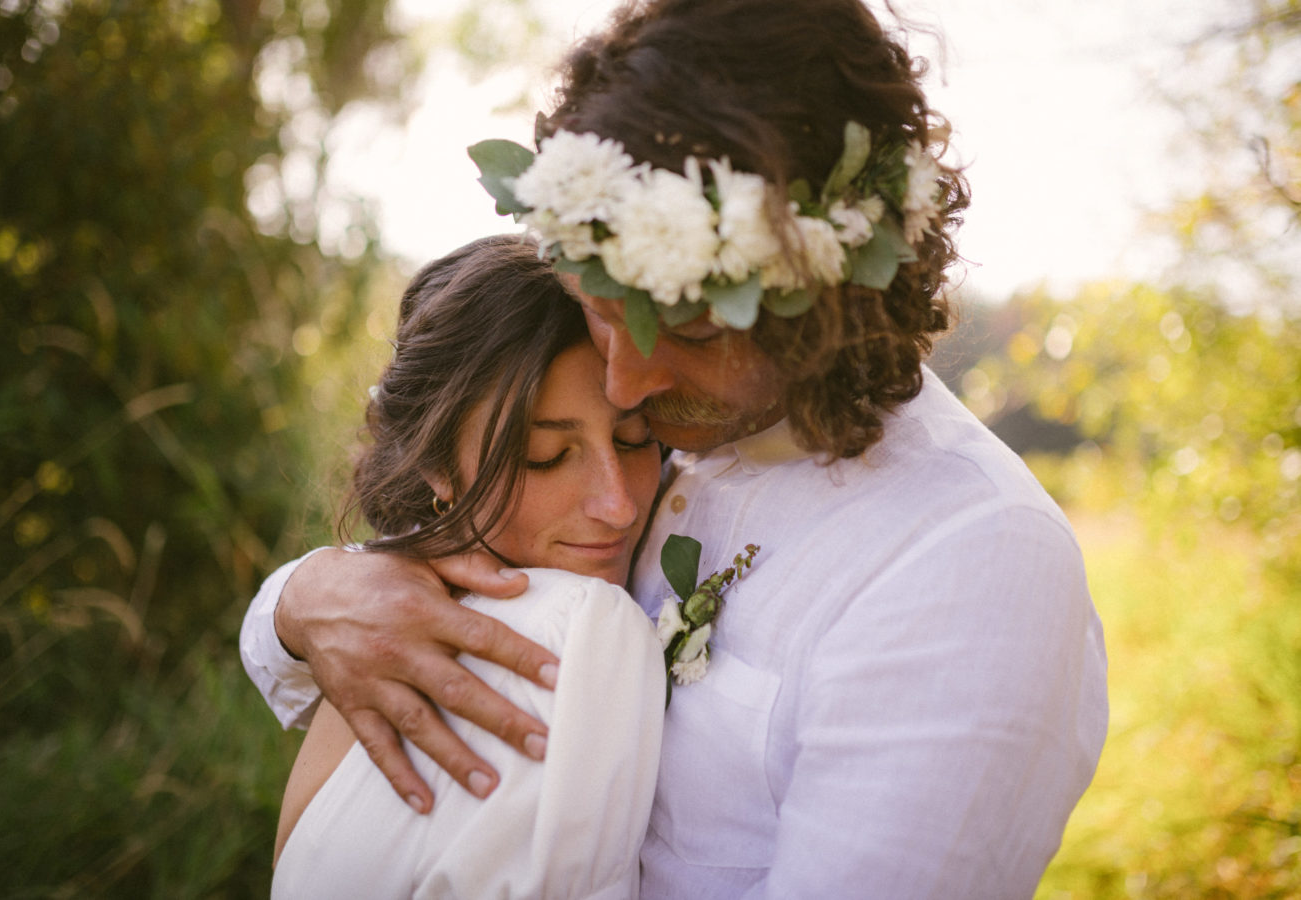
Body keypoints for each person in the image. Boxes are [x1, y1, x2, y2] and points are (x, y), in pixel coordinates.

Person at [242, 0, 1109, 896]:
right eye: (601, 311)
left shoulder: (967, 558)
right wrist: (303, 602)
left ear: (824, 305)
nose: (623, 382)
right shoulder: (668, 425)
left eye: (688, 329)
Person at [266, 235, 666, 898]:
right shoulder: (583, 626)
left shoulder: (359, 628)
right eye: (544, 454)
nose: (618, 504)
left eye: (636, 438)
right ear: (436, 465)